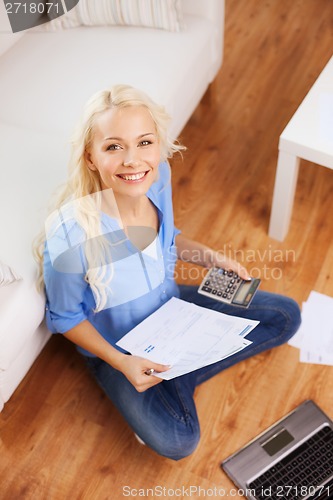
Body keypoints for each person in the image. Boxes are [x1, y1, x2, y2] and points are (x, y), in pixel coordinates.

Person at [37, 84, 301, 461]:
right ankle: (181, 368)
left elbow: (167, 240)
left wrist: (212, 259)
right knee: (179, 439)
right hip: (122, 348)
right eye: (114, 146)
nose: (133, 160)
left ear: (158, 145)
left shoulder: (157, 179)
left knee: (286, 316)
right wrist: (122, 362)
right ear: (91, 158)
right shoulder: (69, 235)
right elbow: (64, 318)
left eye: (144, 142)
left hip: (173, 308)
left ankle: (182, 370)